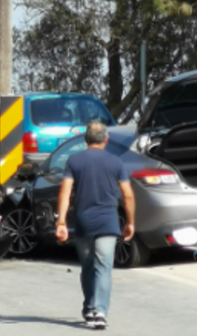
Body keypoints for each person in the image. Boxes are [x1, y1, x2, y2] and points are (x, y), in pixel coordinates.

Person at [56, 122, 135, 330]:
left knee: (88, 266)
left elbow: (65, 193)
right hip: (108, 222)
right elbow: (127, 195)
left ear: (85, 139)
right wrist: (130, 222)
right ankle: (100, 311)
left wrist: (61, 222)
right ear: (106, 140)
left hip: (83, 222)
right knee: (104, 267)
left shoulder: (74, 160)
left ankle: (90, 307)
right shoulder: (116, 162)